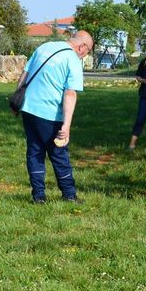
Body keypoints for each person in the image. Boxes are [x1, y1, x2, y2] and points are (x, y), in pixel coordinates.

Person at [17, 30, 93, 203]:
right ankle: (69, 194)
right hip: (49, 113)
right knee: (58, 153)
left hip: (28, 108)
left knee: (35, 151)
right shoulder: (72, 59)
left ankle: (38, 196)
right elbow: (70, 93)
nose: (85, 55)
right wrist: (66, 126)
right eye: (88, 51)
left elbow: (25, 74)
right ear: (82, 47)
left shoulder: (45, 46)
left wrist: (16, 101)